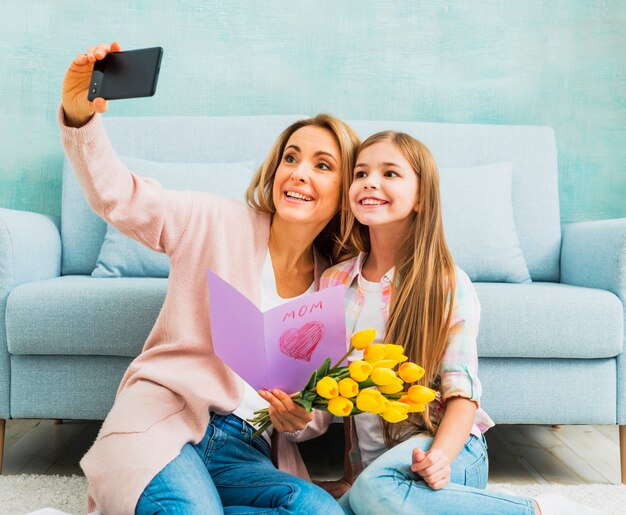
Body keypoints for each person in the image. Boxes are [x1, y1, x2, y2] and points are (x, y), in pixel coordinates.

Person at [59, 41, 360, 514]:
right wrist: (81, 119)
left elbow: (317, 410)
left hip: (248, 450)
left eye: (323, 166)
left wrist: (298, 420)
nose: (299, 173)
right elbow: (118, 196)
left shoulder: (336, 288)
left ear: (345, 192)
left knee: (320, 510)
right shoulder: (214, 219)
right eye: (290, 158)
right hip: (165, 422)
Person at [306, 131, 603, 515]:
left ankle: (541, 510)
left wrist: (441, 458)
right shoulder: (334, 284)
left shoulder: (445, 283)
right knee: (338, 503)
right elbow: (346, 401)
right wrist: (350, 475)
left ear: (422, 198)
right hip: (378, 470)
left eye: (390, 173)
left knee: (375, 492)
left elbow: (462, 394)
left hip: (451, 449)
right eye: (361, 173)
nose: (370, 182)